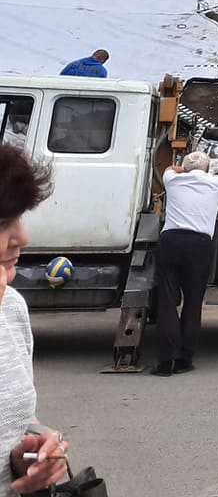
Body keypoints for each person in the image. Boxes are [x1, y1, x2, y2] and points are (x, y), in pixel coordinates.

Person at [0, 145, 71, 493]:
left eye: (19, 217)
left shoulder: (11, 308)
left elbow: (12, 421)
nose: (22, 238)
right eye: (2, 224)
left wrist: (27, 450)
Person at [152, 151, 218, 376]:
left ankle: (165, 363)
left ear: (184, 167)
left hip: (170, 240)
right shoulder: (217, 183)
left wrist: (185, 169)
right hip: (199, 244)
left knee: (166, 302)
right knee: (193, 304)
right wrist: (208, 174)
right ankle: (185, 359)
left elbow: (168, 169)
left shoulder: (173, 180)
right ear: (208, 167)